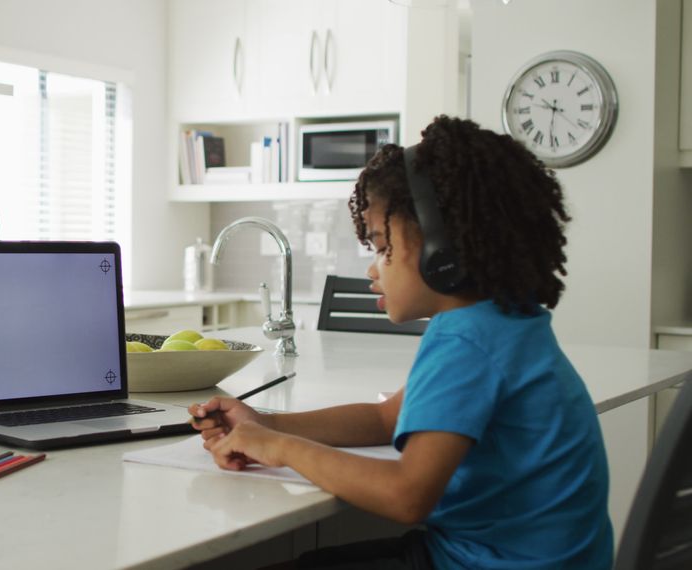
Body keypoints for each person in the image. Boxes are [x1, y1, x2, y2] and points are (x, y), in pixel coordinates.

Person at [189, 116, 613, 569]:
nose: (374, 268)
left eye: (379, 245)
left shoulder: (467, 341)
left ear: (440, 249)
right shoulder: (507, 322)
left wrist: (279, 449)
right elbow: (386, 417)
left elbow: (406, 495)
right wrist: (267, 424)